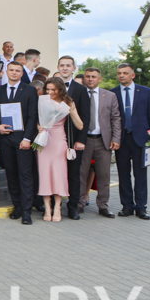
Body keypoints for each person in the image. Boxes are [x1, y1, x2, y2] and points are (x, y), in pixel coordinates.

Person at [0, 61, 40, 224]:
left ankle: (27, 211)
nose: (14, 73)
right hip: (5, 139)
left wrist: (27, 139)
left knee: (25, 175)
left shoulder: (30, 90)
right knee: (11, 174)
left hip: (23, 140)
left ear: (22, 73)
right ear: (6, 71)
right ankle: (17, 206)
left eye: (17, 71)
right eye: (11, 70)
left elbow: (33, 116)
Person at [113, 63, 150, 219]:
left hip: (141, 140)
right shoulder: (112, 93)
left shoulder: (146, 92)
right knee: (123, 174)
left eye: (125, 73)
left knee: (140, 175)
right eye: (119, 73)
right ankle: (127, 206)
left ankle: (141, 207)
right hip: (121, 140)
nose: (121, 75)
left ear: (133, 75)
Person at [36, 78, 83, 222]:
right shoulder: (41, 100)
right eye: (47, 89)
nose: (49, 92)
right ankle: (47, 208)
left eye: (53, 90)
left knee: (59, 175)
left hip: (58, 141)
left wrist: (72, 110)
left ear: (60, 89)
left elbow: (80, 125)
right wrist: (38, 127)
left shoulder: (68, 102)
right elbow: (33, 119)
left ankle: (57, 207)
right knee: (44, 174)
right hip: (43, 141)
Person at [78, 67, 121, 217]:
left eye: (93, 76)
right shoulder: (79, 94)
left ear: (99, 79)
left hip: (103, 141)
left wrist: (116, 138)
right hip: (84, 141)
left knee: (104, 175)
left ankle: (103, 205)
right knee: (81, 174)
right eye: (88, 76)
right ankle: (79, 204)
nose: (90, 79)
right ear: (84, 78)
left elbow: (115, 118)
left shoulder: (109, 96)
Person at [56, 55, 90, 220]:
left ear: (74, 68)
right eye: (62, 65)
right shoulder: (52, 87)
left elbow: (86, 116)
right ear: (58, 67)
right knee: (56, 172)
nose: (65, 68)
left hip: (73, 139)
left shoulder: (81, 90)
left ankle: (73, 207)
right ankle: (55, 207)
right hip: (55, 138)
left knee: (74, 174)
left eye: (68, 65)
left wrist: (81, 140)